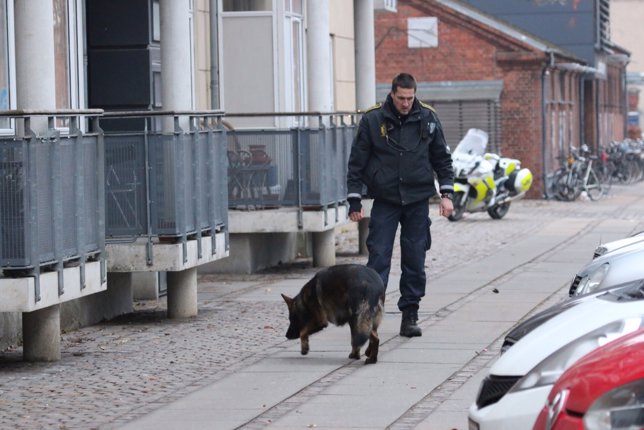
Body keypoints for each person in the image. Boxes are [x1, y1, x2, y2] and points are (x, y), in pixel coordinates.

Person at [346, 72, 454, 337]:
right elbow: (357, 161)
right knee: (379, 256)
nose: (406, 103)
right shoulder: (373, 119)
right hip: (386, 198)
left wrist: (447, 193)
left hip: (417, 198)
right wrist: (354, 199)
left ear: (414, 94)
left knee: (415, 258)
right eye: (401, 98)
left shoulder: (427, 117)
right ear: (392, 94)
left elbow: (442, 158)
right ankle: (370, 312)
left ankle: (410, 313)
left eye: (410, 98)